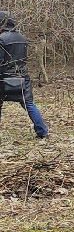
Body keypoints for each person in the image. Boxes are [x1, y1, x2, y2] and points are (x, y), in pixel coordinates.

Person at [0, 12, 49, 140]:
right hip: (22, 76)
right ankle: (42, 131)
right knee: (29, 104)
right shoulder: (22, 38)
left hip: (3, 78)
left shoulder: (1, 39)